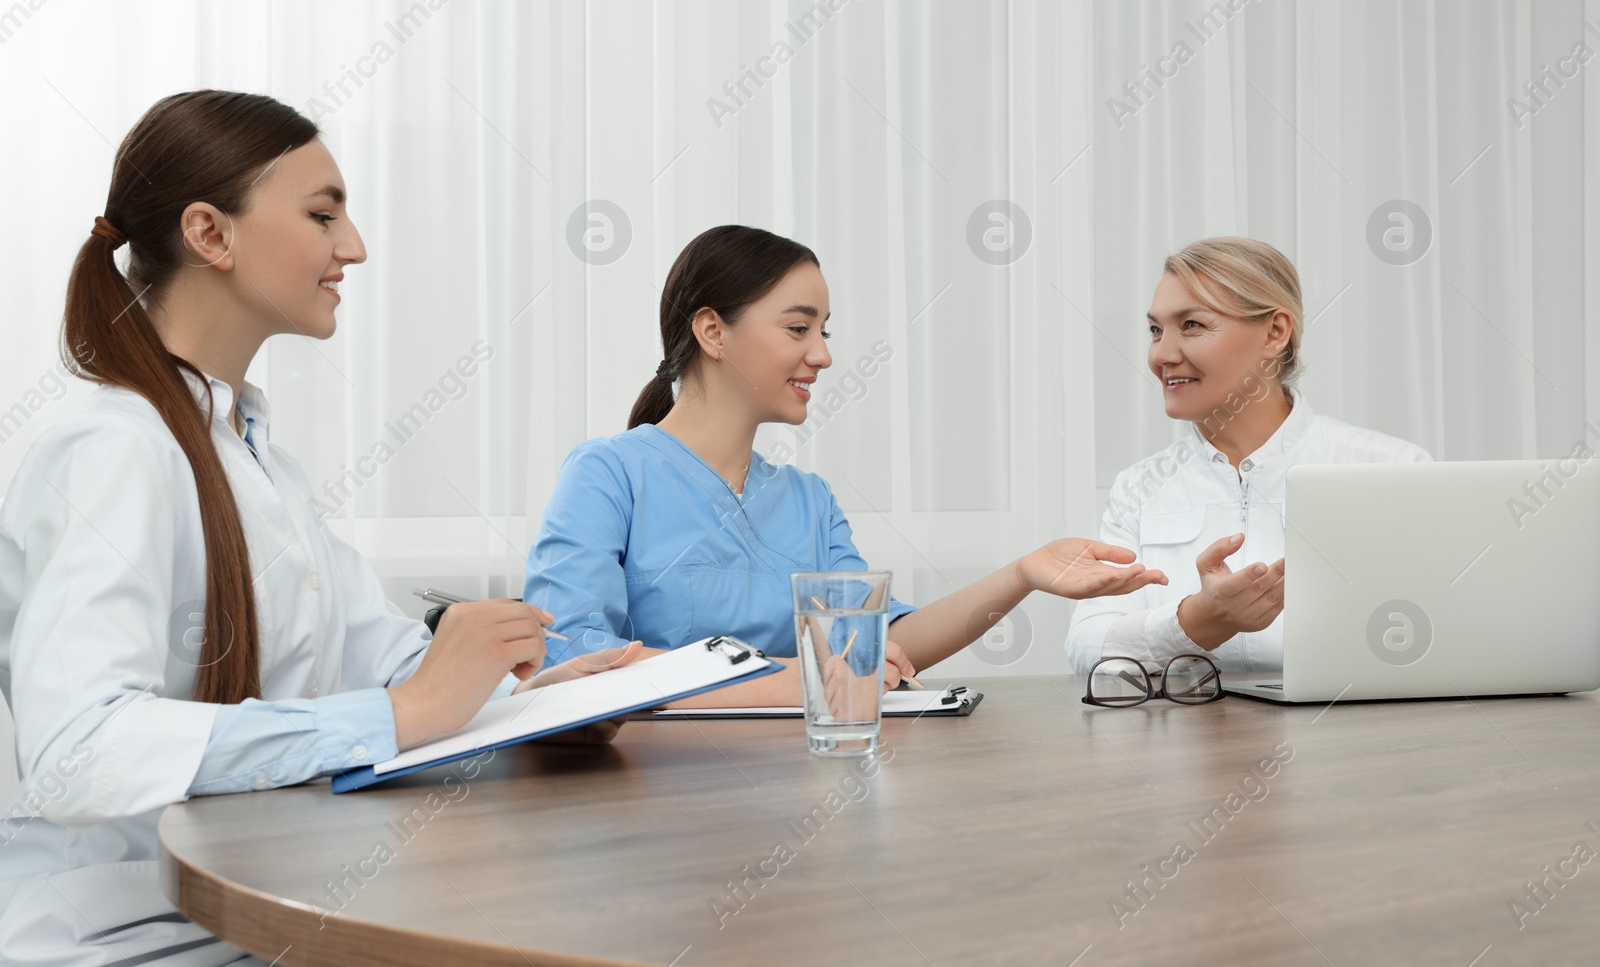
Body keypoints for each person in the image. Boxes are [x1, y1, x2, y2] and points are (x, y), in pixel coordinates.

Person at [0, 91, 639, 966]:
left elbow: (379, 659)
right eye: (322, 213)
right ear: (210, 233)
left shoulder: (258, 460)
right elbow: (80, 749)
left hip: (252, 909)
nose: (354, 246)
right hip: (123, 932)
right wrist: (401, 713)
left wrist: (542, 699)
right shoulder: (113, 451)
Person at [525, 225, 1167, 704]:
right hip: (651, 803)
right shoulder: (608, 475)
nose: (823, 357)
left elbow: (877, 644)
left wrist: (1023, 574)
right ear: (713, 332)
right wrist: (805, 680)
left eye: (824, 332)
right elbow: (580, 664)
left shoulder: (809, 500)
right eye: (799, 329)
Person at [1065, 237, 1431, 675]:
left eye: (1193, 325)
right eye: (1155, 330)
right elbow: (1088, 648)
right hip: (1185, 742)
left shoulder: (1391, 470)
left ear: (1275, 332)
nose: (1161, 354)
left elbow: (1434, 637)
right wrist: (1195, 622)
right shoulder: (1139, 488)